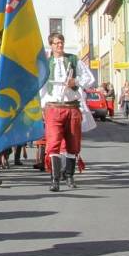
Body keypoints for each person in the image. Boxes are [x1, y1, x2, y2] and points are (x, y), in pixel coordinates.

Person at [40, 33, 95, 192]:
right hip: (53, 107)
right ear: (51, 45)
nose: (59, 45)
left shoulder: (73, 59)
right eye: (56, 43)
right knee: (53, 143)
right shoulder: (46, 63)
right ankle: (55, 180)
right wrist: (42, 107)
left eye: (61, 42)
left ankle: (69, 176)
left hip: (71, 107)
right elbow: (41, 87)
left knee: (72, 143)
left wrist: (75, 82)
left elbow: (89, 79)